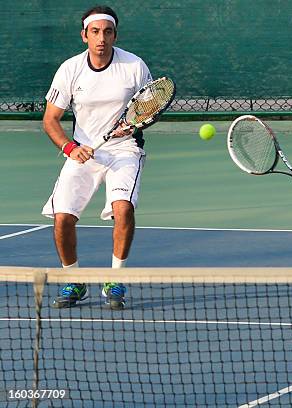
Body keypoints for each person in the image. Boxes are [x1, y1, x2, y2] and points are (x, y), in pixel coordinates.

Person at [42, 5, 153, 310]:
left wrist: (131, 124)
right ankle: (75, 280)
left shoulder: (134, 66)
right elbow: (50, 119)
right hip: (83, 151)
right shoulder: (70, 69)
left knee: (123, 208)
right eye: (95, 32)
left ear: (115, 35)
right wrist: (70, 148)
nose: (101, 38)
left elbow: (150, 107)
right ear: (84, 36)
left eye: (107, 31)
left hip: (125, 150)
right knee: (62, 217)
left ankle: (114, 279)